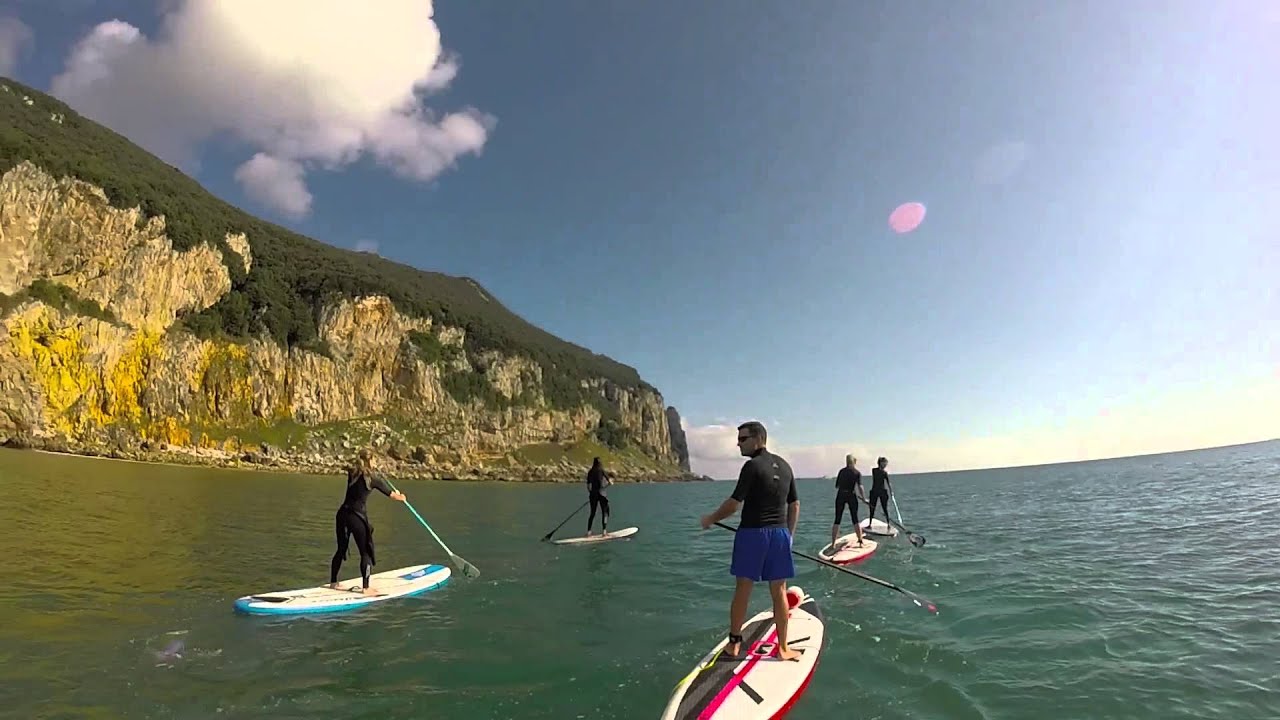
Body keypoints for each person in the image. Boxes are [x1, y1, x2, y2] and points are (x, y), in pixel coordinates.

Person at [700, 420, 801, 661]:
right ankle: (784, 648)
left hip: (752, 534)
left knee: (743, 589)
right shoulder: (786, 466)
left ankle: (734, 644)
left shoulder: (752, 466)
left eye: (742, 439)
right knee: (779, 591)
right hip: (779, 535)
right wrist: (789, 535)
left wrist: (711, 518)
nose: (738, 444)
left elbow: (735, 504)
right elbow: (794, 504)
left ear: (757, 439)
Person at [330, 448, 406, 596]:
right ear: (370, 461)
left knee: (341, 549)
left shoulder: (352, 473)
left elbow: (352, 465)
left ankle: (333, 582)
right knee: (366, 552)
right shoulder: (373, 479)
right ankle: (366, 588)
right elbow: (392, 495)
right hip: (356, 517)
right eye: (375, 460)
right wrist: (401, 496)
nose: (376, 463)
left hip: (342, 515)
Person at [832, 454, 867, 550]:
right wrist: (864, 498)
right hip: (851, 495)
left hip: (841, 495)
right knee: (855, 519)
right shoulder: (857, 473)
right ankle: (860, 541)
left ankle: (833, 543)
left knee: (837, 519)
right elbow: (860, 486)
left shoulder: (841, 471)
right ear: (854, 462)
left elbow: (837, 486)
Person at [585, 457, 611, 536]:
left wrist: (591, 493)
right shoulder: (602, 470)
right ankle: (604, 531)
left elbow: (588, 486)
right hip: (602, 494)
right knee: (605, 512)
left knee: (592, 513)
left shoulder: (590, 472)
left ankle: (589, 532)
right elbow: (609, 482)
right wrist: (606, 485)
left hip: (593, 494)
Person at [868, 456, 894, 531]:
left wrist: (891, 491)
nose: (886, 465)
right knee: (872, 508)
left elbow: (888, 483)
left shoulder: (885, 473)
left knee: (885, 508)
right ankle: (870, 524)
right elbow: (877, 472)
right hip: (875, 491)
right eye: (884, 463)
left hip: (882, 491)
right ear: (881, 463)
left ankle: (888, 523)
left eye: (886, 463)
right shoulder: (874, 471)